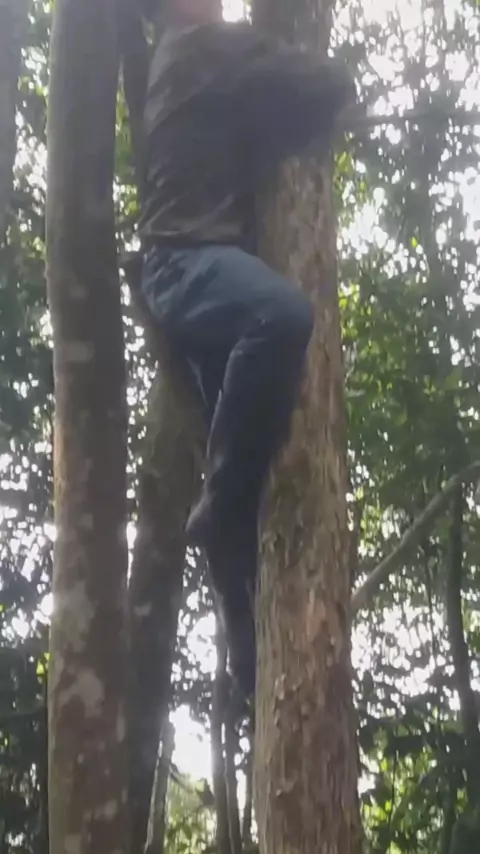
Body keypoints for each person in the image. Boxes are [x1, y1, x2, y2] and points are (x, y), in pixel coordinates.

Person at [140, 0, 356, 700]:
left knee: (239, 461)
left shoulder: (184, 62)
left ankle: (248, 659)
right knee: (282, 315)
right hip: (186, 264)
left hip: (190, 273)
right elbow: (323, 83)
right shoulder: (203, 47)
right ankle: (222, 505)